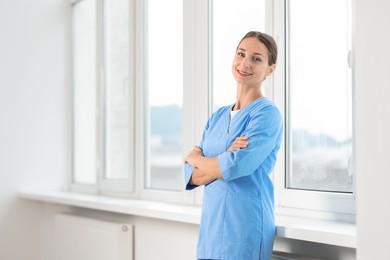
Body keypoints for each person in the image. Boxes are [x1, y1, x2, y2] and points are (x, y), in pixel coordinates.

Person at [184, 31, 283, 260]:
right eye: (241, 54)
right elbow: (190, 176)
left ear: (270, 69)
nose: (245, 63)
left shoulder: (266, 114)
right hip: (211, 228)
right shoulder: (217, 116)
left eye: (256, 59)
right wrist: (223, 158)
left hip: (245, 227)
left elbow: (236, 167)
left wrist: (197, 159)